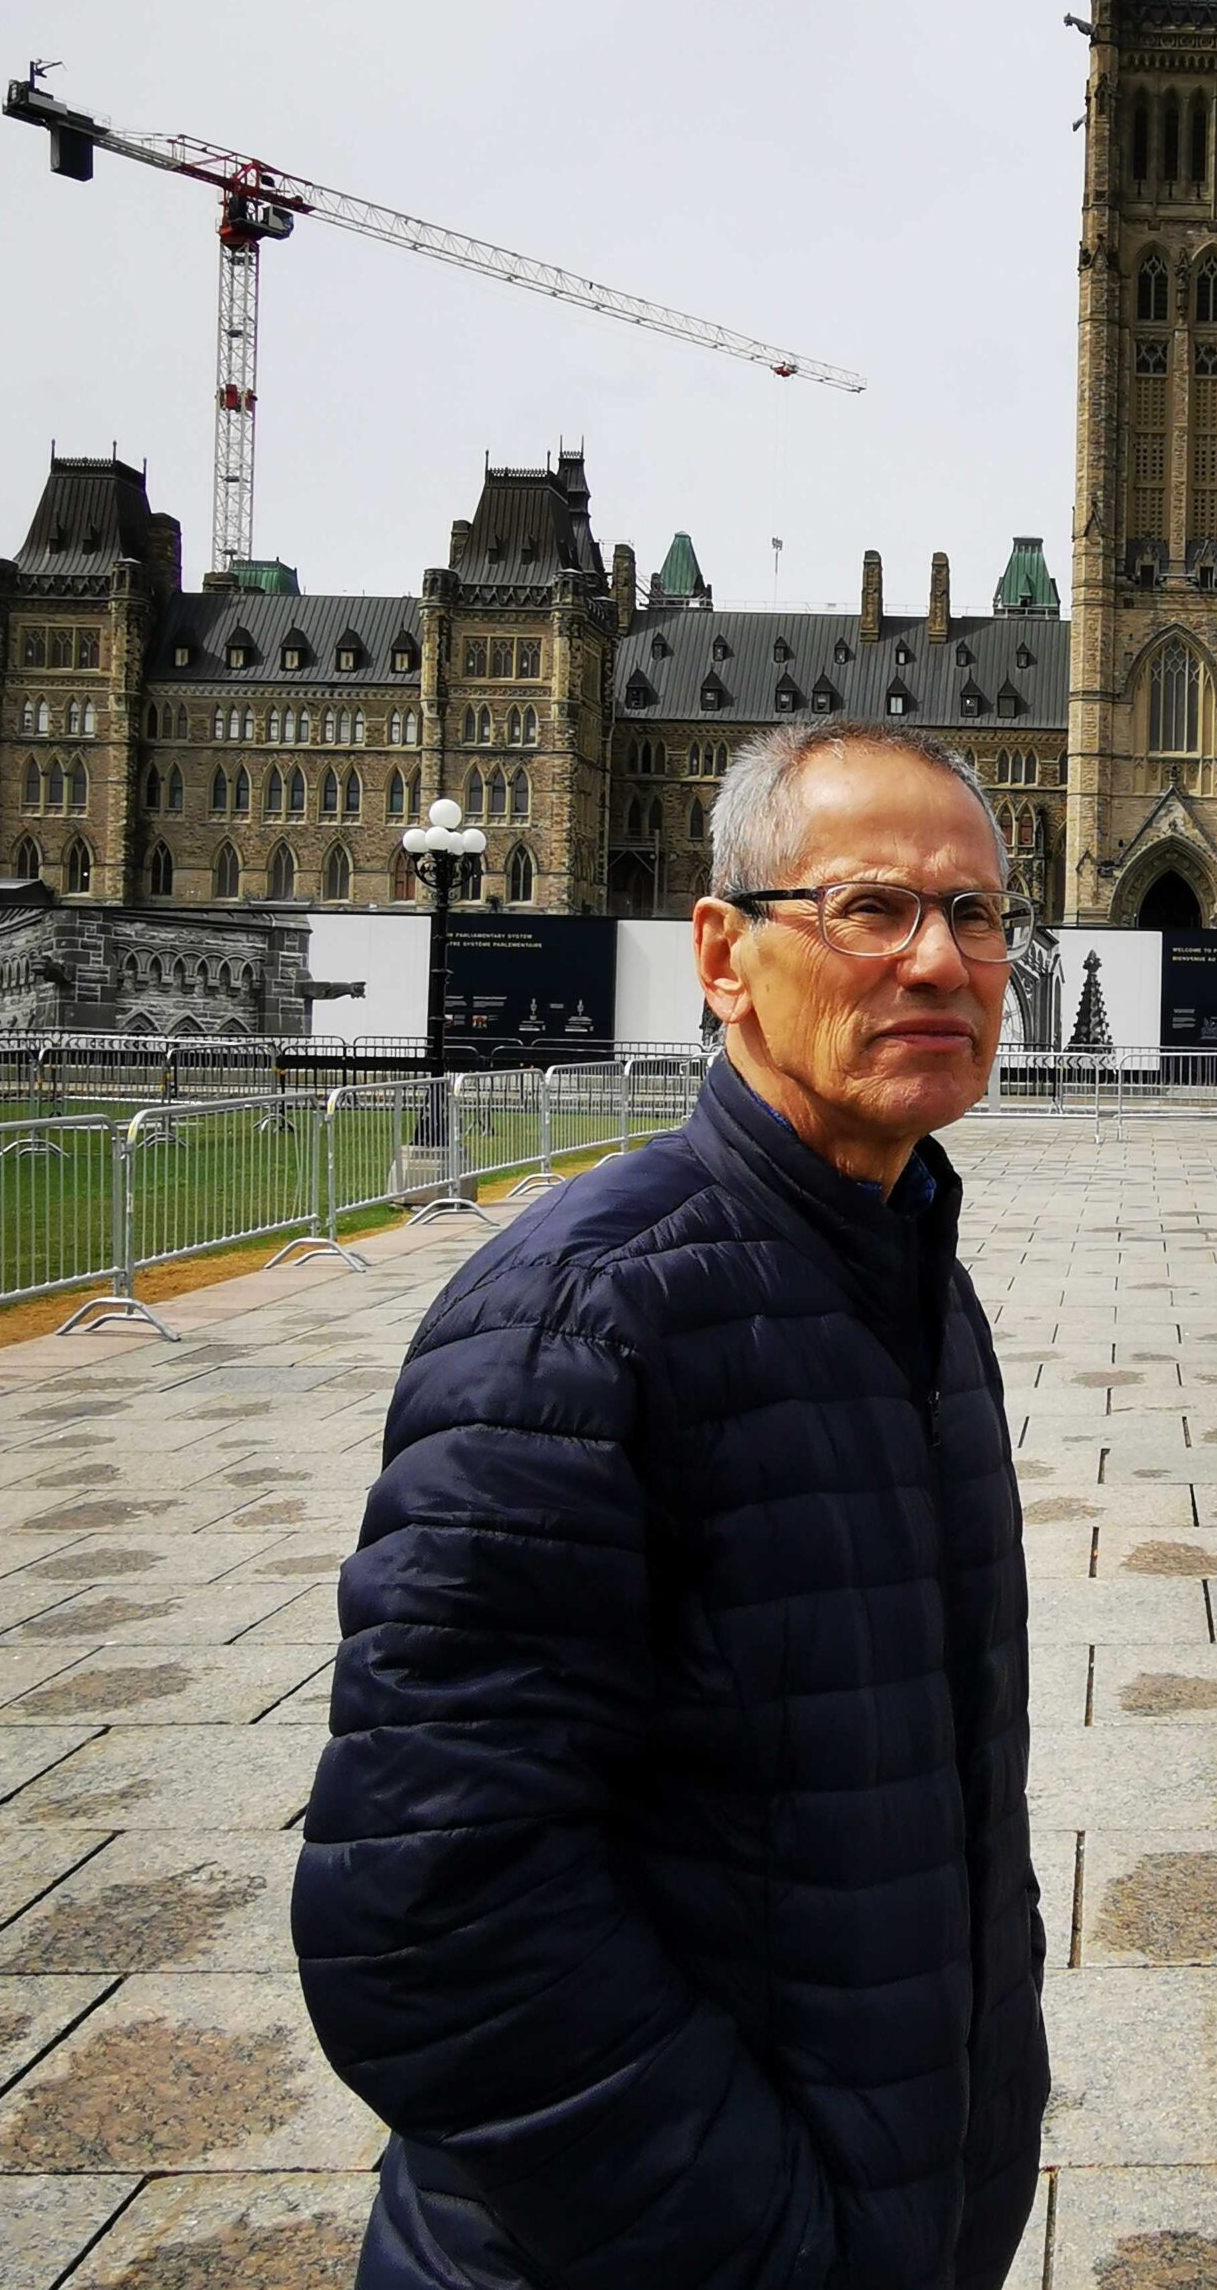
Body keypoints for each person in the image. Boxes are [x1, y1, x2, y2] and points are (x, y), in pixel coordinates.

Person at [294, 719, 1049, 2290]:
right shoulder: (579, 1315)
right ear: (724, 954)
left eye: (976, 915)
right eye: (870, 910)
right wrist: (762, 2244)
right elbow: (428, 1918)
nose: (940, 960)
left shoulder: (912, 1279)